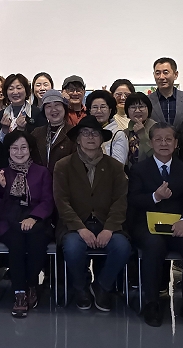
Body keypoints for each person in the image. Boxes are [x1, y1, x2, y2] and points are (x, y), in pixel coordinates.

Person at [128, 123, 183, 327]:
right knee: (153, 246)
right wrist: (155, 196)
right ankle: (152, 303)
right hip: (147, 225)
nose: (164, 143)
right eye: (158, 139)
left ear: (176, 143)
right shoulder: (138, 169)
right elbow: (133, 199)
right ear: (151, 142)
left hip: (178, 224)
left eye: (168, 139)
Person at [53, 115, 131, 312]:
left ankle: (102, 286)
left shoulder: (115, 167)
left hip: (106, 223)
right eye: (85, 133)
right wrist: (80, 228)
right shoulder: (63, 165)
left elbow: (120, 201)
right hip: (75, 225)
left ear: (101, 139)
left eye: (95, 133)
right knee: (72, 248)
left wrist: (109, 229)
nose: (90, 137)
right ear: (78, 139)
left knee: (122, 247)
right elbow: (62, 202)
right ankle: (81, 287)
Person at [0, 130, 53, 318]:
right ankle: (19, 293)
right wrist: (1, 189)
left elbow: (48, 201)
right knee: (16, 243)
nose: (19, 152)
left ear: (30, 149)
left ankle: (31, 284)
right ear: (8, 150)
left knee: (36, 241)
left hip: (36, 222)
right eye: (14, 148)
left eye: (23, 147)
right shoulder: (1, 173)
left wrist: (33, 217)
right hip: (8, 222)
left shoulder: (42, 172)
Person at [0, 74, 45, 169]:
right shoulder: (1, 115)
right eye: (11, 89)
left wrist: (22, 131)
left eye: (19, 88)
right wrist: (4, 131)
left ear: (26, 91)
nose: (15, 92)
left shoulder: (37, 113)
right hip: (6, 166)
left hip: (31, 166)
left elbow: (40, 144)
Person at [30, 90, 75, 170]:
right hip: (41, 177)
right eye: (48, 106)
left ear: (64, 108)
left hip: (65, 177)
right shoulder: (36, 133)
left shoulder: (73, 133)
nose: (53, 109)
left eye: (57, 105)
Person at [148, 58, 183, 126]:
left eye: (165, 73)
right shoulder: (147, 101)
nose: (161, 77)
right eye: (157, 73)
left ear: (175, 75)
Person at [86, 89, 127, 164]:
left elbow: (118, 165)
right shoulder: (84, 133)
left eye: (103, 107)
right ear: (89, 110)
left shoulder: (118, 134)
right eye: (95, 107)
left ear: (110, 110)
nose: (99, 111)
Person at [123, 92, 156, 168]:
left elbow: (157, 155)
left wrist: (142, 134)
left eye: (141, 107)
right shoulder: (125, 132)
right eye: (133, 107)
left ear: (148, 108)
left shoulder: (157, 129)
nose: (137, 110)